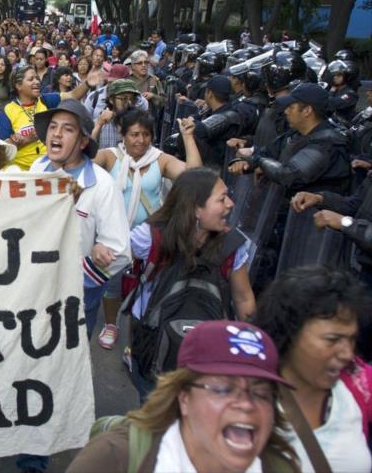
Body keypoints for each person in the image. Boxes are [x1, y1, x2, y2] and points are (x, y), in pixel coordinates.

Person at [20, 99, 130, 473]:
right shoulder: (36, 169)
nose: (56, 134)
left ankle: (35, 456)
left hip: (77, 298)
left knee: (54, 371)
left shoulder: (101, 186)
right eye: (53, 127)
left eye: (68, 129)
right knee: (30, 367)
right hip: (31, 291)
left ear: (84, 141)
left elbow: (119, 252)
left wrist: (84, 277)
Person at [67, 320, 300, 473]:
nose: (247, 404)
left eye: (261, 393)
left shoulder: (281, 467)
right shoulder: (113, 458)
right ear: (184, 398)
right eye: (222, 389)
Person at [128, 167, 256, 399]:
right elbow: (113, 257)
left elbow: (243, 298)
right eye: (222, 198)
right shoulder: (150, 237)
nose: (230, 204)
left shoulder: (232, 246)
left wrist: (250, 353)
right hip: (152, 349)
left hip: (209, 360)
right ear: (196, 208)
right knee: (151, 421)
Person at [92, 110, 202, 349]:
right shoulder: (109, 157)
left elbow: (194, 176)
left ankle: (140, 333)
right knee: (111, 284)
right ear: (122, 134)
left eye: (146, 135)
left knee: (149, 286)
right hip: (114, 237)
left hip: (150, 239)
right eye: (134, 134)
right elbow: (82, 166)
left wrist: (188, 137)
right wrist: (98, 125)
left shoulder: (160, 159)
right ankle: (111, 324)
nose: (140, 140)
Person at [252, 266, 372, 472]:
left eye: (351, 339)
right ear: (289, 334)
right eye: (332, 340)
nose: (347, 354)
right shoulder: (241, 396)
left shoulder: (361, 386)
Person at [236, 82, 351, 196]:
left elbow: (290, 175)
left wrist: (257, 161)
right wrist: (244, 162)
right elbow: (267, 152)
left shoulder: (327, 142)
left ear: (307, 111)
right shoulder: (295, 134)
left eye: (291, 107)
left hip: (311, 212)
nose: (286, 111)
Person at [0, 65, 104, 170]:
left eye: (37, 78)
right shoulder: (8, 110)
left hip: (48, 167)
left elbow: (72, 96)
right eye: (31, 79)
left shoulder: (46, 100)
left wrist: (87, 83)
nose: (37, 82)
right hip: (20, 171)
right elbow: (2, 150)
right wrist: (27, 139)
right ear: (18, 86)